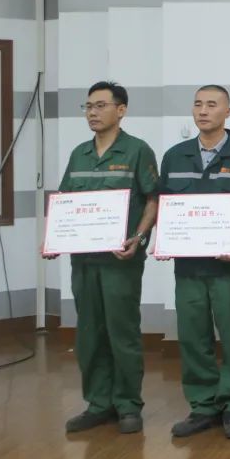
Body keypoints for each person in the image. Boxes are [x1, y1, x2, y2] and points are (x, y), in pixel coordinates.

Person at [43, 81, 158, 434]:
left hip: (120, 261)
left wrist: (139, 238)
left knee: (122, 332)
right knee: (89, 333)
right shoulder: (79, 153)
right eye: (88, 106)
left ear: (121, 110)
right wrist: (53, 238)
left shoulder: (137, 151)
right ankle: (98, 403)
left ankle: (128, 404)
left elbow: (152, 200)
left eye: (100, 105)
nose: (92, 113)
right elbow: (65, 202)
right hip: (84, 261)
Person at [157, 85, 230, 439]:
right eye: (198, 104)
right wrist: (164, 239)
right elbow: (165, 205)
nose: (203, 111)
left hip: (229, 268)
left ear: (228, 112)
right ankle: (203, 405)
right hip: (188, 268)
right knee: (192, 336)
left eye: (212, 105)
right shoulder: (175, 157)